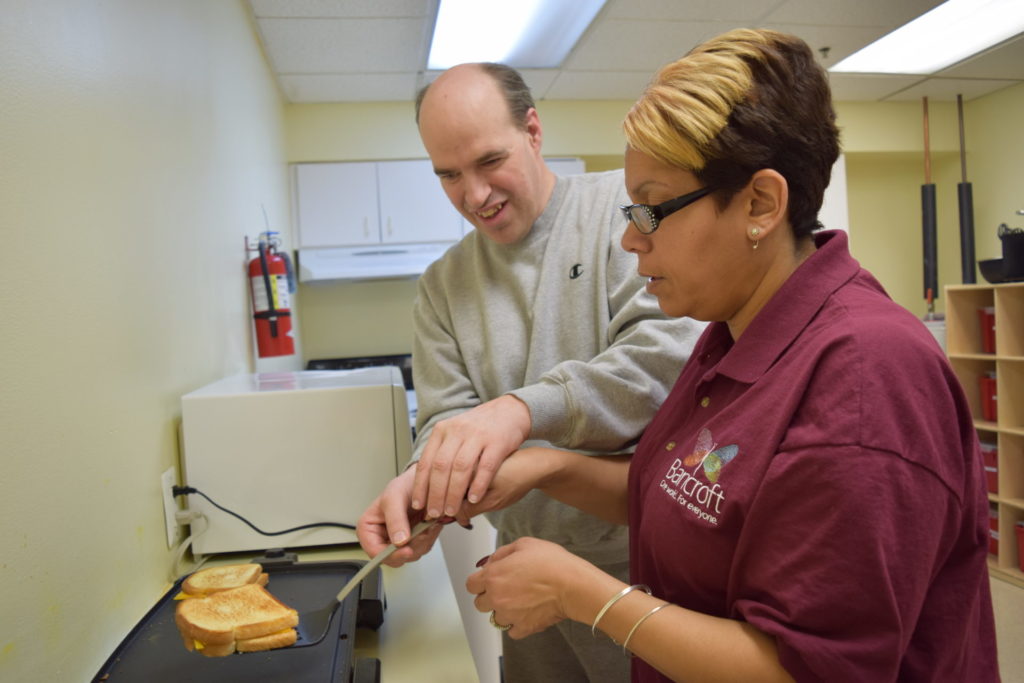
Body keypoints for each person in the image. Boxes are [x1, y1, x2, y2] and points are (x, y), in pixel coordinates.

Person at [462, 28, 1000, 682]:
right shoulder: (733, 330)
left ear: (761, 204)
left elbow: (810, 669)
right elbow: (685, 493)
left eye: (654, 210)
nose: (631, 239)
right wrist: (544, 468)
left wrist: (584, 593)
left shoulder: (867, 378)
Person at [356, 63, 704, 682]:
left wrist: (521, 410)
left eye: (490, 161)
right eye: (448, 175)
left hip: (645, 567)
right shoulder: (442, 285)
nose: (475, 195)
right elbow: (445, 420)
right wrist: (419, 487)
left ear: (533, 131)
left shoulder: (625, 213)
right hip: (519, 568)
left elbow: (665, 356)